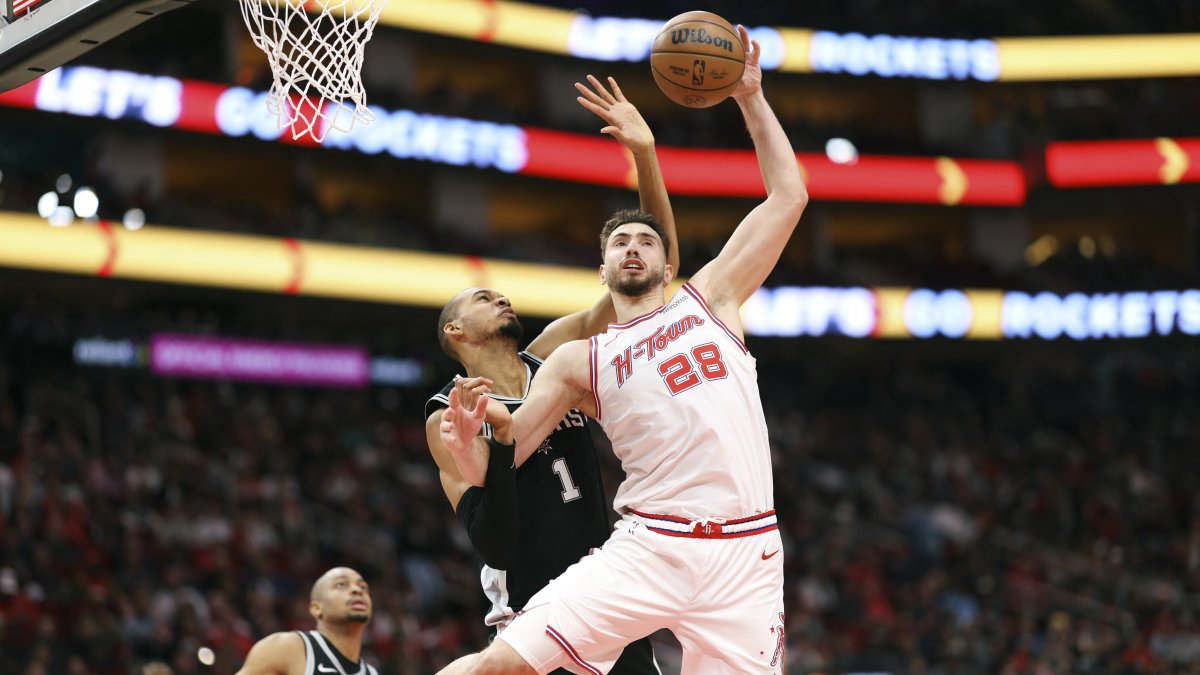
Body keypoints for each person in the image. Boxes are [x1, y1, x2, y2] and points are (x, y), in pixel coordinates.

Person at [439, 24, 808, 674]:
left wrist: (750, 96)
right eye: (619, 243)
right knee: (500, 664)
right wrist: (474, 442)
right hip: (651, 542)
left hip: (745, 553)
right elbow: (511, 451)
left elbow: (789, 196)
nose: (633, 246)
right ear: (604, 269)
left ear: (668, 265)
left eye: (646, 240)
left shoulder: (712, 298)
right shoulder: (580, 358)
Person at [425, 75, 676, 674]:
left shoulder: (554, 356)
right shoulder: (446, 416)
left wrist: (645, 154)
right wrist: (500, 439)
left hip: (606, 585)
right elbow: (494, 536)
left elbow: (653, 278)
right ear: (454, 333)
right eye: (482, 298)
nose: (500, 298)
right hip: (535, 601)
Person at [235, 567, 378, 675]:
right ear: (316, 608)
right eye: (341, 585)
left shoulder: (371, 673)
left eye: (363, 587)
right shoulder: (286, 648)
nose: (357, 590)